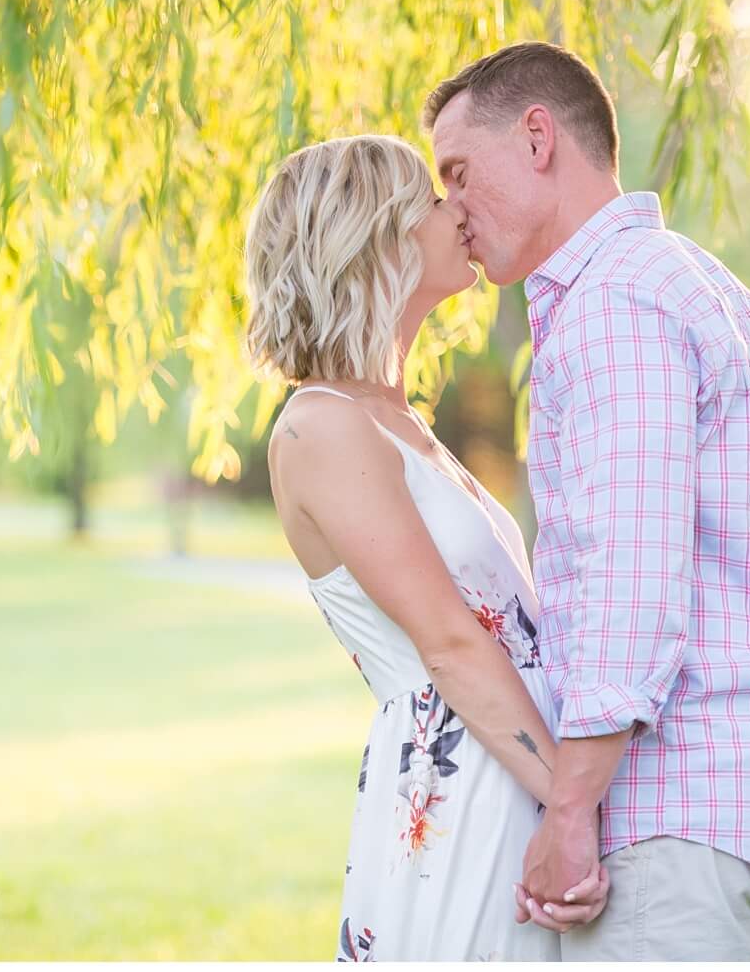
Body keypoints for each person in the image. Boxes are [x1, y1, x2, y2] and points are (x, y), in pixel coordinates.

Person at [424, 41, 750, 961]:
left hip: (675, 799)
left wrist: (569, 811)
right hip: (722, 798)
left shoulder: (617, 303)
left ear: (538, 138)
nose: (449, 208)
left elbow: (632, 575)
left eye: (458, 172)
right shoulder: (687, 281)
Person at [244, 134, 606, 960]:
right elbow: (448, 641)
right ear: (378, 237)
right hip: (466, 785)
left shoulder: (401, 419)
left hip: (516, 768)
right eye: (435, 201)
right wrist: (570, 807)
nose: (460, 212)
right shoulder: (321, 424)